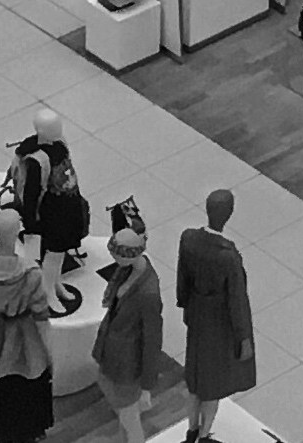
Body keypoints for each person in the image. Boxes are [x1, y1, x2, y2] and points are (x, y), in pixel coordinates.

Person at [0, 211, 57, 443]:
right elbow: (42, 322)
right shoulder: (31, 274)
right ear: (18, 231)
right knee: (27, 390)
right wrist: (50, 357)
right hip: (26, 339)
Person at [176, 187, 257, 442]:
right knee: (212, 384)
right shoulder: (228, 256)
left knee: (195, 378)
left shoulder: (189, 239)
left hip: (197, 313)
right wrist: (243, 337)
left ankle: (191, 430)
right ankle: (203, 434)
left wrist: (185, 305)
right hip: (219, 323)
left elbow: (182, 278)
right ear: (229, 214)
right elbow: (237, 300)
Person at [93, 210, 171, 443]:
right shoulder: (125, 270)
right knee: (117, 403)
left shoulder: (148, 293)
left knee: (129, 418)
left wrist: (147, 385)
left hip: (128, 364)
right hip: (113, 350)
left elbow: (153, 340)